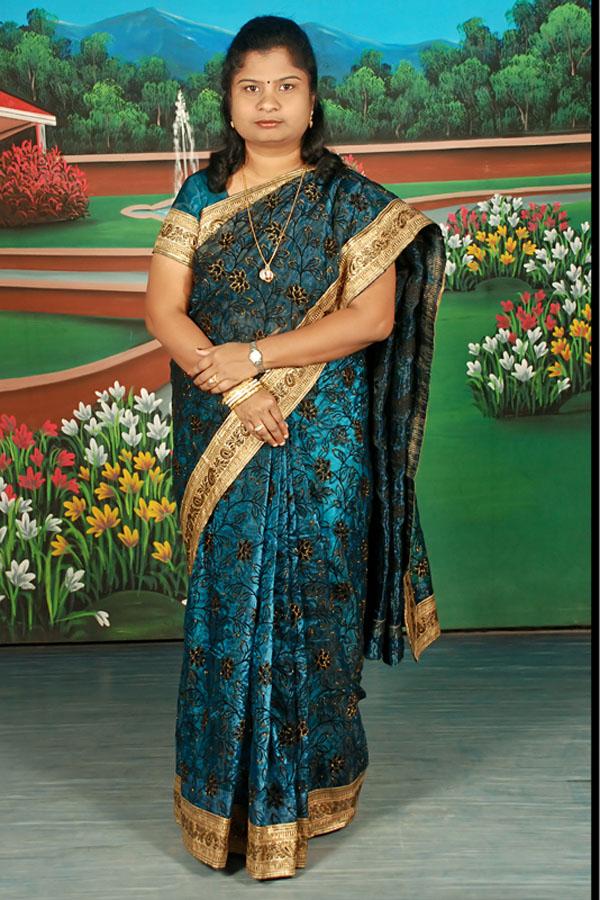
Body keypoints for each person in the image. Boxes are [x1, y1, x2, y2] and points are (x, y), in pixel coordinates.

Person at [145, 14, 446, 881]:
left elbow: (372, 319)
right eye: (251, 87)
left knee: (316, 608)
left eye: (286, 86)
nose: (268, 102)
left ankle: (313, 795)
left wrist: (256, 357)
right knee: (227, 609)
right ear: (229, 103)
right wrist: (237, 388)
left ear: (313, 102)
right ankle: (226, 809)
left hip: (323, 441)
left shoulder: (350, 199)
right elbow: (163, 309)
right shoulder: (198, 196)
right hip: (225, 427)